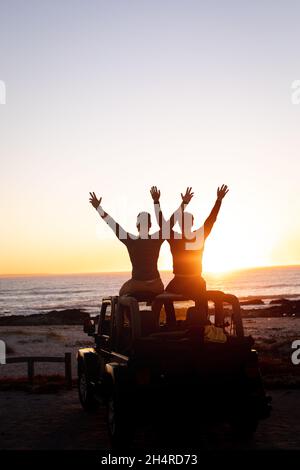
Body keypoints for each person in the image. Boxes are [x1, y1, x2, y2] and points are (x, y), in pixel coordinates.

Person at [89, 188, 193, 297]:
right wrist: (182, 202)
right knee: (161, 299)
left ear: (137, 225)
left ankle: (128, 314)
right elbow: (172, 221)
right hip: (156, 285)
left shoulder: (130, 240)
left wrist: (98, 208)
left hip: (136, 284)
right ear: (150, 225)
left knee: (121, 295)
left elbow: (112, 223)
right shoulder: (156, 239)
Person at [151, 184, 229, 320]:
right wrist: (218, 200)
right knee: (162, 298)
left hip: (192, 280)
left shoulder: (183, 237)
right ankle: (180, 322)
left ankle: (193, 322)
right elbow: (211, 219)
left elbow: (212, 219)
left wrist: (157, 202)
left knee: (194, 301)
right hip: (184, 281)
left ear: (191, 223)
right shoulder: (192, 236)